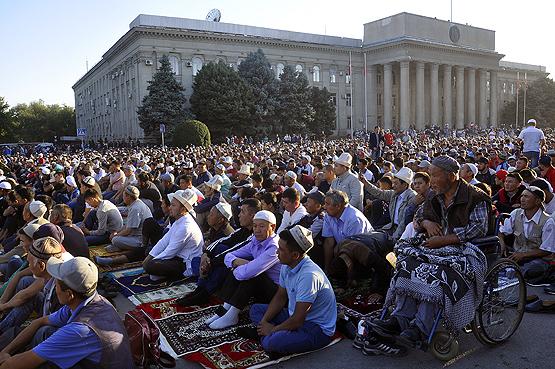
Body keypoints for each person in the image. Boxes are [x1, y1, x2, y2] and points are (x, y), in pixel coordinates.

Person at [370, 155, 490, 348]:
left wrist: (445, 239)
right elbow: (418, 216)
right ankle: (400, 318)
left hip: (465, 249)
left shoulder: (475, 197)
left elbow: (478, 229)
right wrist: (427, 222)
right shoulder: (434, 194)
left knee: (435, 275)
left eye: (434, 176)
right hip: (435, 245)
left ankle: (421, 327)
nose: (431, 181)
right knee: (406, 265)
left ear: (451, 176)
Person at [0, 257, 135, 369]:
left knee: (42, 362)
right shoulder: (93, 301)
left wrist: (7, 359)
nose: (53, 286)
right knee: (44, 331)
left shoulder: (79, 331)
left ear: (69, 294)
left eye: (56, 283)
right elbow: (40, 321)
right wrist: (7, 351)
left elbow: (11, 366)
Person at [247, 225, 336, 355]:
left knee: (271, 343)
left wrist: (272, 330)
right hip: (293, 315)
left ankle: (270, 337)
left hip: (315, 328)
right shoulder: (287, 264)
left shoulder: (309, 276)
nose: (277, 252)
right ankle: (270, 334)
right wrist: (264, 322)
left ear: (295, 255)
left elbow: (298, 319)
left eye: (281, 249)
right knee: (255, 310)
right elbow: (280, 296)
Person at [176, 199, 259, 307]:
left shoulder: (254, 235)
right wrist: (206, 254)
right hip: (220, 263)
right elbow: (219, 242)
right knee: (202, 258)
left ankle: (205, 292)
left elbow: (234, 250)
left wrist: (210, 262)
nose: (238, 215)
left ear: (252, 216)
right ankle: (201, 288)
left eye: (242, 212)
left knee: (222, 253)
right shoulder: (242, 231)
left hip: (240, 270)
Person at [206, 210, 280, 330]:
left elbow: (248, 272)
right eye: (255, 226)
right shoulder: (255, 241)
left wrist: (239, 266)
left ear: (272, 227)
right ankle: (225, 309)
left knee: (252, 276)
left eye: (262, 226)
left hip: (277, 294)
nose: (257, 230)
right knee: (242, 269)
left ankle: (232, 314)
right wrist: (236, 262)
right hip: (261, 287)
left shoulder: (274, 247)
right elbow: (228, 255)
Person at [499, 186, 555, 284]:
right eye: (522, 196)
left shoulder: (547, 221)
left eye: (526, 197)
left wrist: (523, 255)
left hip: (539, 260)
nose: (522, 199)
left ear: (537, 201)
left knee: (532, 268)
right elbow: (502, 231)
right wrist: (502, 243)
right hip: (517, 255)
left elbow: (547, 250)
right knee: (496, 262)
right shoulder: (515, 213)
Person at [143, 189, 204, 280]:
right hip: (176, 256)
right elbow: (163, 241)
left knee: (151, 266)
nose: (170, 207)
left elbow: (170, 252)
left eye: (173, 205)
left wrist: (151, 262)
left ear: (183, 209)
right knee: (150, 253)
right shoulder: (179, 220)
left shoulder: (186, 226)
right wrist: (149, 257)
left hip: (185, 263)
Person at [321, 190, 373, 271]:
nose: (324, 207)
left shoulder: (354, 219)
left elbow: (355, 250)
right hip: (344, 250)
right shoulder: (328, 215)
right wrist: (326, 269)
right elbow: (329, 242)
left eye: (327, 204)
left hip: (363, 254)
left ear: (338, 206)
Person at [360, 167, 416, 242]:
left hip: (403, 232)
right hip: (391, 227)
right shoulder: (394, 194)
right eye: (393, 183)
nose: (393, 186)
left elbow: (404, 222)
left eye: (396, 183)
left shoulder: (412, 197)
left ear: (405, 185)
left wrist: (394, 238)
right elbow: (379, 193)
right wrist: (365, 183)